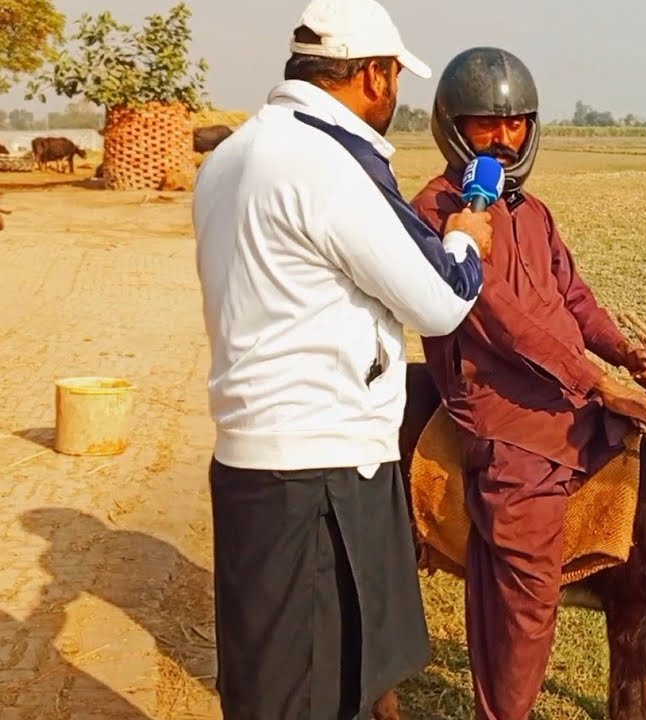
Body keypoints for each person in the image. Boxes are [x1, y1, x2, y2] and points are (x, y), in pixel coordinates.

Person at [409, 47, 646, 720]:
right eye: (487, 126)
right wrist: (596, 383)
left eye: (516, 125)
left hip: (575, 399)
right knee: (529, 590)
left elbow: (573, 294)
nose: (505, 139)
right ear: (453, 127)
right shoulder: (441, 212)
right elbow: (500, 321)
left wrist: (624, 353)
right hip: (510, 424)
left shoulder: (532, 212)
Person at [192, 1, 493, 718]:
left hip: (251, 461)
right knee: (317, 689)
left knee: (274, 681)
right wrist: (466, 237)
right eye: (393, 78)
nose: (393, 96)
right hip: (320, 472)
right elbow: (442, 301)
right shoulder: (326, 166)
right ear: (371, 77)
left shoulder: (233, 155)